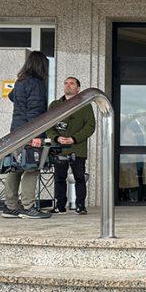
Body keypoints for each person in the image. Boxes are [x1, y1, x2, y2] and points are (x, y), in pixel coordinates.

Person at [2, 51, 51, 219]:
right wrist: (37, 135)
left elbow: (12, 96)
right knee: (32, 167)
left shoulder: (20, 82)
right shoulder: (36, 84)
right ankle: (28, 207)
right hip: (30, 132)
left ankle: (10, 207)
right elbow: (35, 112)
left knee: (15, 168)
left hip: (16, 132)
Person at [46, 77, 96, 215]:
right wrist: (56, 137)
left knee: (79, 177)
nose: (68, 85)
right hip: (59, 147)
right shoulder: (55, 105)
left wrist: (73, 139)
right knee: (59, 178)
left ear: (78, 88)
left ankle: (80, 206)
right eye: (66, 83)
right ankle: (60, 206)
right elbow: (47, 125)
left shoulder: (85, 105)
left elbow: (90, 126)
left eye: (72, 83)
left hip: (77, 148)